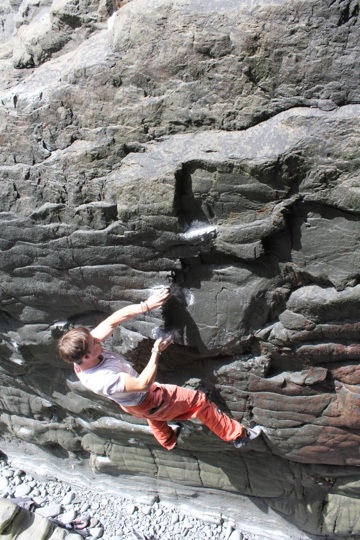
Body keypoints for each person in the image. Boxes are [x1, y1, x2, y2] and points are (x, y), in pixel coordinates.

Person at [58, 288, 262, 451]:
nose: (98, 339)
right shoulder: (102, 379)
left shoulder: (82, 357)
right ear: (87, 356)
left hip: (133, 405)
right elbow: (143, 385)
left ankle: (168, 440)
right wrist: (156, 352)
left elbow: (114, 320)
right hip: (148, 397)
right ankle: (238, 436)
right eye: (95, 343)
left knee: (152, 414)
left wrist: (146, 306)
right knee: (200, 403)